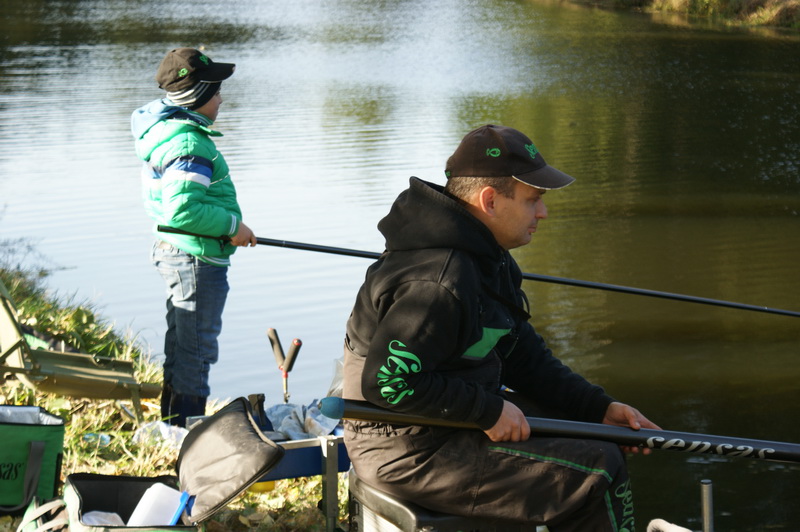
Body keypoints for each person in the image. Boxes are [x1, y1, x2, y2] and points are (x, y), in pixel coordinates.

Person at [342, 124, 661, 530]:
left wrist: (595, 408)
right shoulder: (438, 281)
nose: (543, 213)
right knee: (599, 470)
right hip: (405, 448)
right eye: (533, 200)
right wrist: (487, 410)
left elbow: (521, 355)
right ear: (490, 200)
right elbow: (388, 384)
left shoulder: (487, 257)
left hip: (446, 422)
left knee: (596, 436)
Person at [130, 48, 257, 427]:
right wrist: (233, 228)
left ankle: (172, 426)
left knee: (183, 346)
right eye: (216, 91)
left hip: (179, 251)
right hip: (194, 258)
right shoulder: (188, 144)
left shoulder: (168, 131)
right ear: (198, 95)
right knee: (197, 352)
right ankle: (187, 433)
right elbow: (182, 210)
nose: (221, 98)